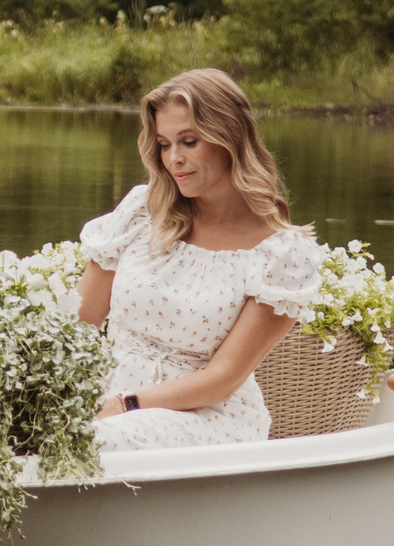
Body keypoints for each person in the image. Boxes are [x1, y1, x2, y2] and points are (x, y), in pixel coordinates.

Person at [77, 68, 322, 451]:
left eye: (189, 141)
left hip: (204, 418)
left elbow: (223, 377)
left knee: (92, 440)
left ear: (230, 138)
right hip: (105, 397)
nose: (174, 159)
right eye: (163, 144)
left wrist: (126, 404)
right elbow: (80, 323)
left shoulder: (281, 255)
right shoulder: (142, 212)